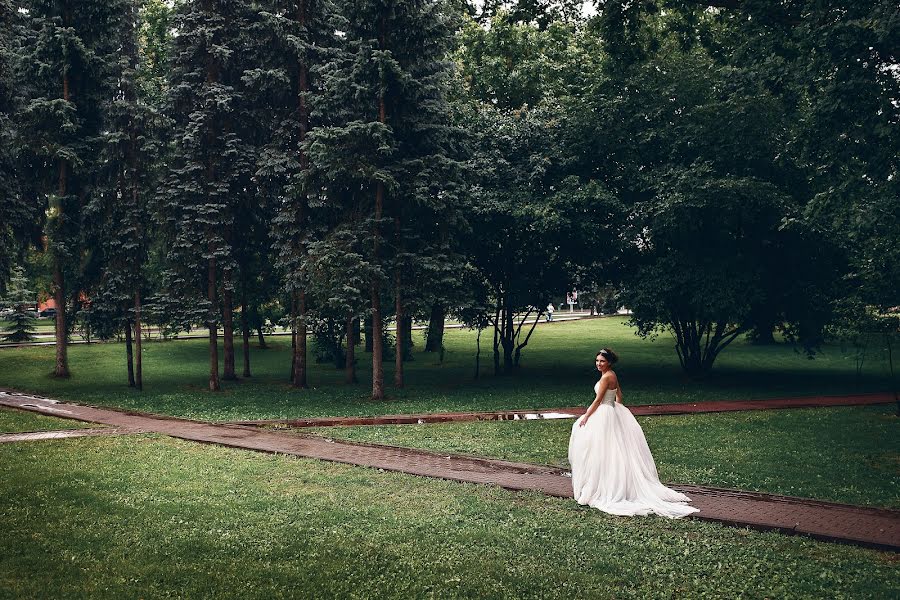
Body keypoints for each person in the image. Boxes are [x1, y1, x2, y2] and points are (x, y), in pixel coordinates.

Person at [568, 348, 698, 518]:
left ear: (609, 362)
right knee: (609, 448)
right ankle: (604, 481)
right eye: (597, 361)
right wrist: (617, 410)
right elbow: (619, 395)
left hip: (603, 412)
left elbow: (598, 400)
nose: (598, 364)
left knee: (601, 447)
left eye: (602, 361)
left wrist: (586, 416)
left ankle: (603, 486)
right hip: (609, 412)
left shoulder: (607, 377)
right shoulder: (611, 374)